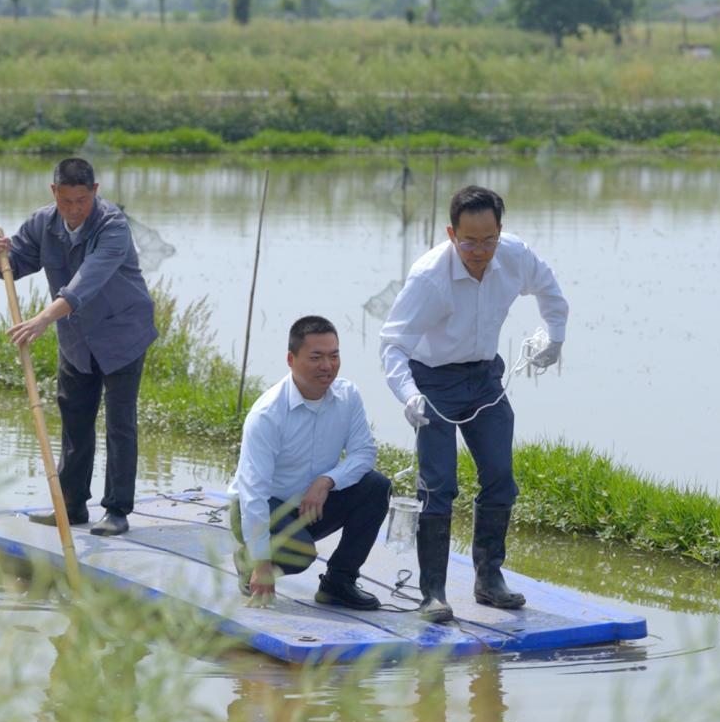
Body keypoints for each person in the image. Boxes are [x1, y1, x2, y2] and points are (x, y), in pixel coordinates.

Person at [379, 185, 568, 622]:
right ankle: (433, 594)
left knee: (501, 477)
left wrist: (554, 340)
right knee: (439, 485)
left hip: (485, 378)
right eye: (469, 241)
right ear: (451, 233)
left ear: (500, 232)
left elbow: (551, 292)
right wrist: (409, 396)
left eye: (489, 240)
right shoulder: (430, 278)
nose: (479, 251)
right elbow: (392, 344)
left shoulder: (515, 256)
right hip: (433, 383)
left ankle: (489, 580)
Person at [0, 157, 156, 537]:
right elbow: (16, 263)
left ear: (95, 192)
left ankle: (116, 511)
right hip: (77, 339)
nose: (74, 210)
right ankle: (72, 505)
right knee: (75, 421)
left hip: (122, 334)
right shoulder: (42, 223)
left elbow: (85, 282)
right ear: (54, 193)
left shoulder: (112, 226)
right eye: (66, 201)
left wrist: (44, 319)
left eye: (82, 201)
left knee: (119, 423)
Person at [228, 316, 392, 609]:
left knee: (376, 486)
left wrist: (326, 481)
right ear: (291, 359)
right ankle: (249, 560)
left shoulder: (348, 396)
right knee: (300, 554)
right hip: (263, 505)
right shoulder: (267, 414)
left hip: (310, 504)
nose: (327, 366)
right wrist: (263, 563)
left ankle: (338, 583)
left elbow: (363, 453)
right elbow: (253, 493)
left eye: (334, 356)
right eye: (316, 357)